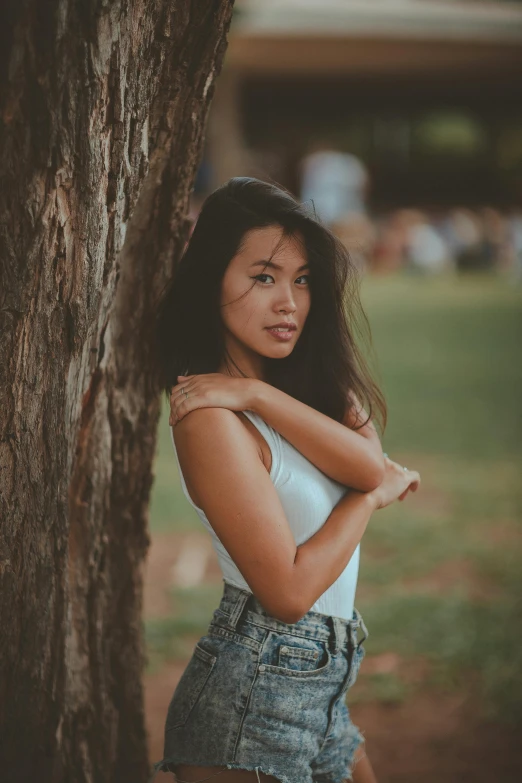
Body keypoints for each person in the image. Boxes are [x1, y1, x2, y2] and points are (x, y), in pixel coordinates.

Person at [151, 177, 420, 783]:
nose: (289, 302)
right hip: (250, 701)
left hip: (325, 690)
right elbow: (289, 593)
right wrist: (371, 499)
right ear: (212, 279)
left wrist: (256, 392)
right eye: (264, 276)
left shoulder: (312, 390)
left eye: (301, 280)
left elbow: (366, 465)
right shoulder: (210, 420)